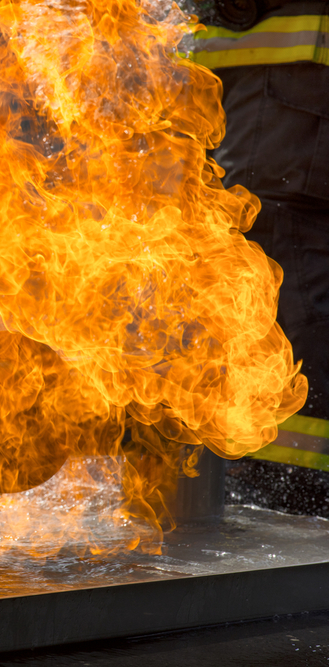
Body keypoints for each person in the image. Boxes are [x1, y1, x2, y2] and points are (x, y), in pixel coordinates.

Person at [190, 0, 329, 515]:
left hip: (285, 111)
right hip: (279, 113)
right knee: (287, 295)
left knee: (284, 293)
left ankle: (284, 487)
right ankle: (285, 487)